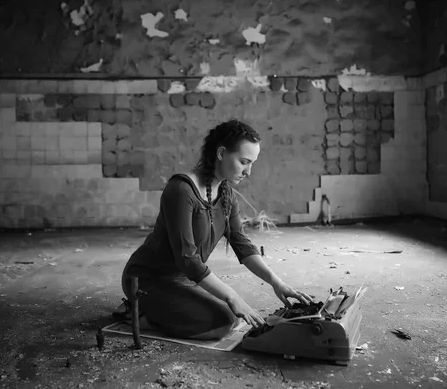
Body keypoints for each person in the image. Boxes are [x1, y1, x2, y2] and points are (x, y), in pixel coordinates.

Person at [120, 119, 313, 340]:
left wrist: (276, 282)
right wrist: (232, 297)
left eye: (252, 163)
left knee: (236, 315)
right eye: (244, 162)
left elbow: (242, 245)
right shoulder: (181, 190)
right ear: (221, 153)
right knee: (222, 323)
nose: (249, 171)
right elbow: (188, 259)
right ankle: (140, 315)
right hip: (148, 278)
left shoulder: (226, 194)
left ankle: (160, 311)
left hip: (184, 278)